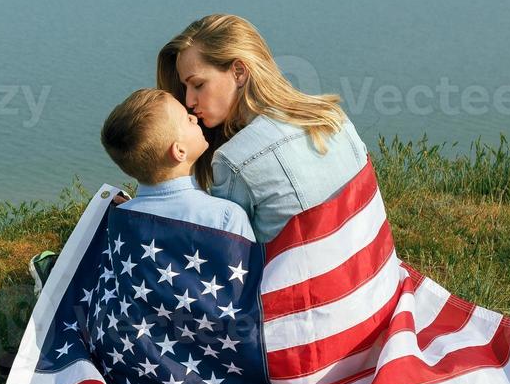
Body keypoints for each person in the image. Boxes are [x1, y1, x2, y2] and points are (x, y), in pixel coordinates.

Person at [156, 14, 369, 245]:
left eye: (198, 85)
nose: (189, 101)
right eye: (186, 87)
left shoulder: (234, 160)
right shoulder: (333, 117)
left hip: (301, 280)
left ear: (239, 72)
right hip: (371, 269)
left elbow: (223, 253)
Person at [99, 88, 256, 241]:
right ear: (179, 151)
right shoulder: (226, 217)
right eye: (187, 119)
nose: (194, 118)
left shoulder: (118, 220)